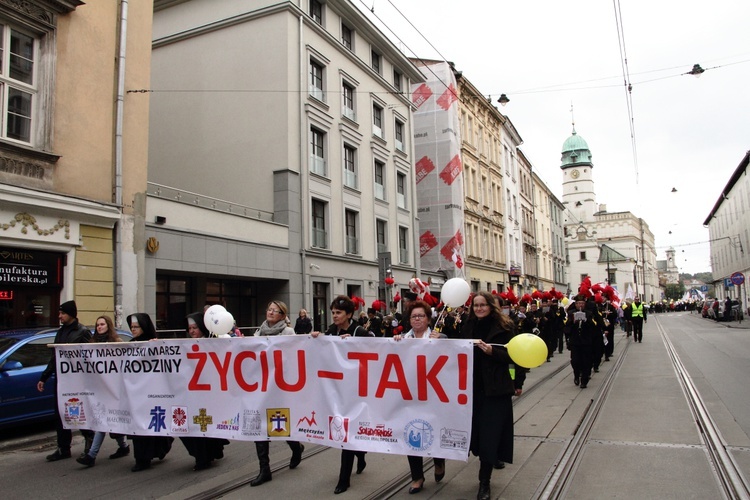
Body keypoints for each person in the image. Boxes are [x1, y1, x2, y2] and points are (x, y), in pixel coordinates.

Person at [459, 291, 525, 500]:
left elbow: (515, 356)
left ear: (491, 306)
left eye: (482, 305)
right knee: (477, 436)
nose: (479, 308)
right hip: (471, 389)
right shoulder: (467, 325)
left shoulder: (505, 327)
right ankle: (486, 464)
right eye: (475, 305)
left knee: (489, 436)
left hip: (495, 390)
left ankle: (484, 482)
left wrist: (492, 353)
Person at [311, 295, 369, 494]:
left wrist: (354, 342)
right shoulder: (331, 331)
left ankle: (344, 479)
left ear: (349, 314)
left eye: (339, 313)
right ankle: (360, 456)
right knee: (345, 431)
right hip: (338, 390)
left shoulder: (359, 331)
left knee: (349, 432)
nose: (335, 316)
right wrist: (317, 340)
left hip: (357, 391)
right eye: (333, 312)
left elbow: (377, 348)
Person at [393, 300, 446, 493]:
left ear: (428, 318)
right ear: (409, 319)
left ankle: (439, 461)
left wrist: (442, 341)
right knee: (410, 433)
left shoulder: (440, 337)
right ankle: (417, 477)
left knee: (434, 429)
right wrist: (396, 343)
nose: (417, 319)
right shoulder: (402, 339)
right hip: (409, 396)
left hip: (433, 395)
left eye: (421, 316)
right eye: (413, 316)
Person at [250, 301, 304, 486]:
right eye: (269, 309)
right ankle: (264, 469)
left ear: (283, 315)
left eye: (276, 310)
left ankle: (296, 447)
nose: (271, 312)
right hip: (262, 386)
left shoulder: (288, 332)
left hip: (280, 387)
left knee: (280, 424)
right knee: (259, 427)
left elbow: (294, 355)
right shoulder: (259, 331)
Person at [38, 300, 93, 462]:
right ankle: (63, 448)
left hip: (77, 381)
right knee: (61, 413)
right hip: (62, 380)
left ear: (70, 314)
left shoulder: (82, 332)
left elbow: (90, 355)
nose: (60, 316)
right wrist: (44, 376)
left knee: (78, 411)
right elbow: (55, 356)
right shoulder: (61, 332)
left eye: (62, 313)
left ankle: (89, 438)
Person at [76, 316, 130, 467]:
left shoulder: (117, 342)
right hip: (100, 389)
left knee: (107, 421)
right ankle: (123, 447)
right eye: (97, 324)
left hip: (115, 389)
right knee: (104, 421)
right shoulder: (91, 344)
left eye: (102, 324)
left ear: (108, 326)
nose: (99, 327)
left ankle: (92, 455)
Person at [179, 312, 231, 471]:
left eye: (195, 327)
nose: (192, 331)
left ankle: (205, 456)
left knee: (205, 426)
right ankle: (202, 455)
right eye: (189, 328)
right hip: (191, 393)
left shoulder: (213, 343)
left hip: (210, 393)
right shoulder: (184, 346)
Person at [126, 313, 174, 472]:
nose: (133, 330)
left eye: (136, 327)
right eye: (131, 327)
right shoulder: (130, 345)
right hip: (136, 393)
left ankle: (152, 453)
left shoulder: (154, 343)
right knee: (138, 427)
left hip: (152, 392)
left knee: (151, 425)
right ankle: (141, 459)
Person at [565, 296, 597, 388]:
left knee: (586, 361)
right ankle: (576, 374)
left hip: (586, 342)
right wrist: (573, 322)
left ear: (584, 304)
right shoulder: (571, 313)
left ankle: (584, 380)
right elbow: (567, 328)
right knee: (575, 361)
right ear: (576, 304)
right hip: (575, 342)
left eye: (582, 303)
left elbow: (593, 327)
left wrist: (586, 321)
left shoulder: (589, 313)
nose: (580, 305)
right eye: (578, 303)